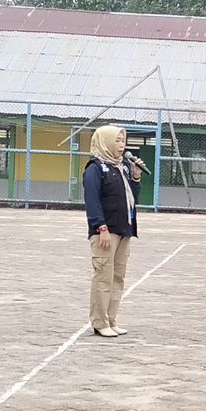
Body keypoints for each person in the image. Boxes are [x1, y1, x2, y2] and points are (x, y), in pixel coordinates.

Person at [83, 125, 141, 339]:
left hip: (124, 229)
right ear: (105, 142)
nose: (121, 145)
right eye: (117, 140)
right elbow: (92, 200)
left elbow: (132, 199)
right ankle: (99, 322)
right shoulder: (95, 168)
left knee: (118, 277)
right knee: (103, 277)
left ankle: (112, 319)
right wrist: (101, 227)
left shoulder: (123, 166)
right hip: (105, 232)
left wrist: (135, 178)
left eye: (123, 140)